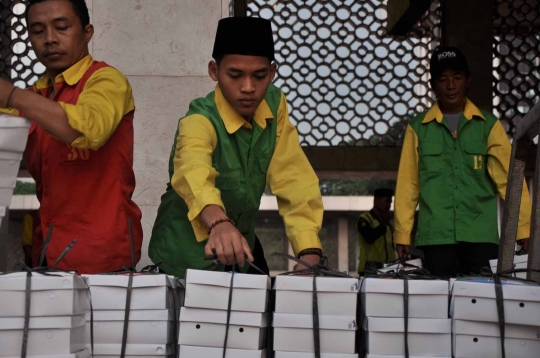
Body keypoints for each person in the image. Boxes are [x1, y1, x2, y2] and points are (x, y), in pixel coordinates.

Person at [149, 17, 324, 278]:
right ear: (214, 71)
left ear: (273, 72)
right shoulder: (199, 119)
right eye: (235, 75)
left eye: (260, 76)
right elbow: (192, 170)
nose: (248, 88)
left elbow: (293, 176)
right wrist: (218, 222)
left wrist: (309, 251)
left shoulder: (275, 105)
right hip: (184, 257)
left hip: (241, 250)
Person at [0, 0, 142, 273]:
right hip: (48, 250)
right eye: (38, 31)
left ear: (87, 32)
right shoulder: (37, 95)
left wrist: (12, 94)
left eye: (62, 27)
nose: (50, 39)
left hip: (102, 254)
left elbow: (90, 128)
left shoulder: (106, 80)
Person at [394, 46, 531, 277]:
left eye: (457, 78)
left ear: (467, 80)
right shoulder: (418, 128)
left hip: (481, 235)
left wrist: (524, 228)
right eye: (443, 79)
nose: (450, 86)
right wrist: (402, 233)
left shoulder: (488, 125)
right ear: (433, 84)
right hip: (436, 238)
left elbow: (510, 181)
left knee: (481, 305)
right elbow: (408, 185)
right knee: (442, 304)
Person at [356, 188, 395, 274]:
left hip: (388, 271)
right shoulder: (365, 219)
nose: (389, 205)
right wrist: (384, 224)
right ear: (376, 200)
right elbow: (369, 237)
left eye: (390, 202)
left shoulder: (388, 223)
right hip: (369, 270)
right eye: (386, 201)